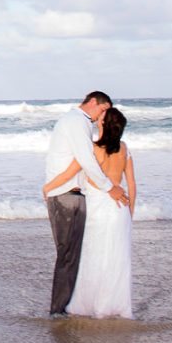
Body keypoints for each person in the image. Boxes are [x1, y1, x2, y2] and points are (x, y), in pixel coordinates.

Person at [42, 91, 127, 316]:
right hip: (66, 194)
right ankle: (58, 310)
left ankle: (65, 307)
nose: (104, 115)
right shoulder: (76, 122)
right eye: (103, 109)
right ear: (92, 102)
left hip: (71, 193)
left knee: (72, 255)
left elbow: (81, 161)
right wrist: (111, 188)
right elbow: (85, 160)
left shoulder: (79, 123)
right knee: (67, 254)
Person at [67, 106, 136, 319]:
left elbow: (70, 173)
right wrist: (130, 213)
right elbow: (132, 185)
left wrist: (50, 186)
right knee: (117, 260)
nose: (98, 119)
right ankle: (112, 306)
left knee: (93, 257)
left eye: (101, 118)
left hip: (98, 209)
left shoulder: (93, 149)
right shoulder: (124, 148)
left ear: (103, 124)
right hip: (119, 210)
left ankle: (90, 306)